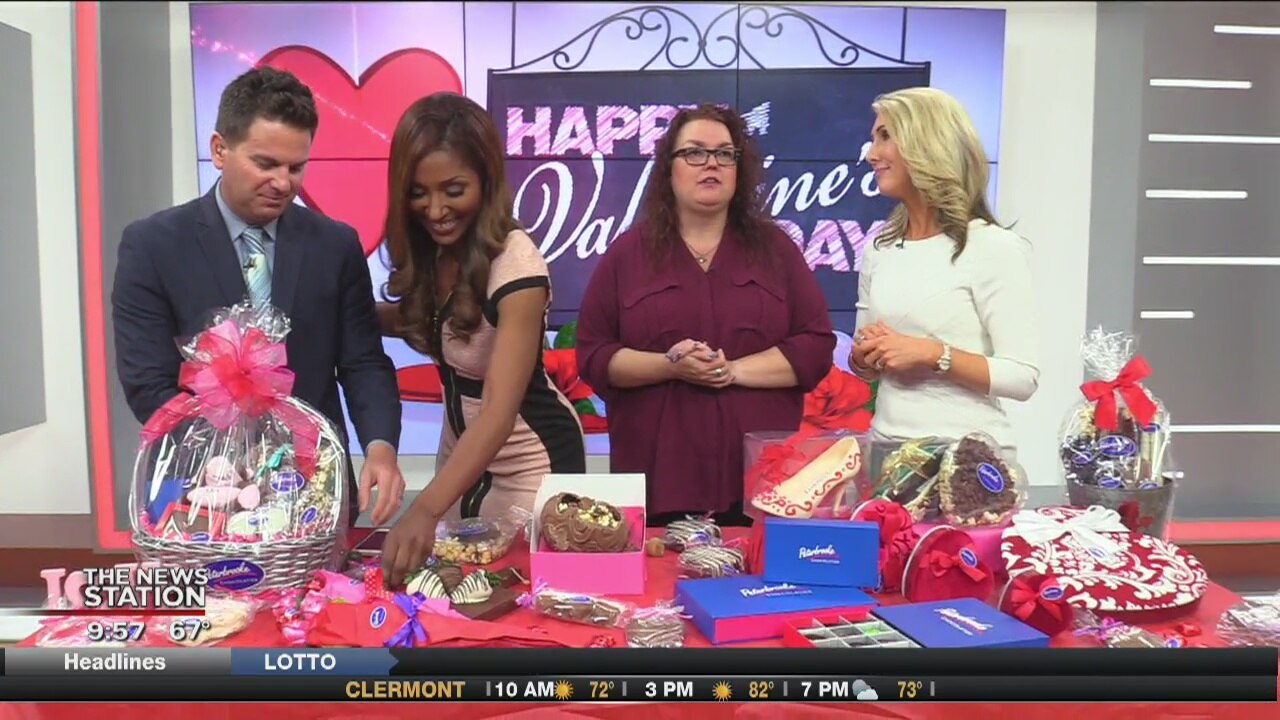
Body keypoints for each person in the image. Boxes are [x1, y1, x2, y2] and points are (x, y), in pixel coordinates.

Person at [111, 67, 405, 528]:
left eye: (296, 167)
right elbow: (148, 383)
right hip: (201, 494)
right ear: (219, 150)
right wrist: (224, 465)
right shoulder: (152, 246)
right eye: (266, 164)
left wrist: (381, 448)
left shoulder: (335, 245)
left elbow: (363, 362)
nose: (283, 183)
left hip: (315, 490)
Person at [575, 103, 836, 526]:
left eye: (724, 154)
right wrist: (670, 366)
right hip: (658, 482)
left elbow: (815, 346)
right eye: (694, 152)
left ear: (739, 169)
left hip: (760, 487)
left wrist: (731, 371)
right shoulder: (628, 254)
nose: (711, 164)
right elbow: (594, 355)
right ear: (669, 168)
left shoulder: (776, 251)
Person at [375, 93, 587, 585]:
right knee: (452, 598)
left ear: (486, 181)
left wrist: (423, 508)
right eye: (418, 193)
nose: (435, 209)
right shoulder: (436, 250)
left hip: (532, 463)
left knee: (517, 601)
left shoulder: (517, 265)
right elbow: (420, 319)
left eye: (454, 190)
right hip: (460, 459)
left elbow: (497, 411)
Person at [849, 87, 1039, 459]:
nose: (871, 154)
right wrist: (865, 355)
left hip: (967, 459)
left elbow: (1022, 377)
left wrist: (932, 354)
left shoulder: (993, 247)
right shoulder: (879, 250)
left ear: (926, 144)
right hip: (888, 455)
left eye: (885, 136)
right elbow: (864, 366)